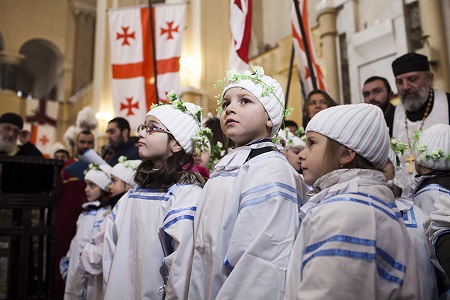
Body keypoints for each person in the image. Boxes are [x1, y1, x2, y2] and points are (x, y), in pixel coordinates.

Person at [188, 66, 308, 299]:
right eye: (225, 104)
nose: (230, 108)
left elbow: (261, 262)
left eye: (244, 101)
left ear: (271, 118)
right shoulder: (228, 165)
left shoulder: (271, 169)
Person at [284, 103, 419, 299]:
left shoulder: (347, 213)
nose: (302, 154)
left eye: (311, 143)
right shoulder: (360, 202)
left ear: (346, 154)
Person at [103, 93, 205, 299]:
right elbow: (110, 249)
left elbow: (183, 269)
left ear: (176, 144)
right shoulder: (133, 193)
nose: (140, 134)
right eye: (142, 127)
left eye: (151, 128)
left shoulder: (185, 195)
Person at [80, 156, 140, 300]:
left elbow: (106, 245)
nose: (110, 186)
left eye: (114, 181)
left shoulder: (123, 212)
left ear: (128, 184)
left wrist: (87, 255)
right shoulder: (114, 209)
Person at [391, 52, 450, 197]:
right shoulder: (390, 115)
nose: (405, 87)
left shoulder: (448, 104)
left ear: (429, 78)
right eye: (399, 82)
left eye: (412, 79)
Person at [54, 130, 95, 299]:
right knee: (64, 254)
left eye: (89, 142)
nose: (85, 146)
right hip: (67, 219)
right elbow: (58, 193)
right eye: (82, 142)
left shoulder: (99, 164)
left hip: (91, 220)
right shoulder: (66, 166)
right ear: (75, 144)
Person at [61, 163, 112, 300]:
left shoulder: (105, 214)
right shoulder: (85, 212)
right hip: (74, 264)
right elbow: (77, 239)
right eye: (86, 185)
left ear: (103, 188)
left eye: (92, 186)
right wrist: (68, 257)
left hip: (89, 266)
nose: (86, 189)